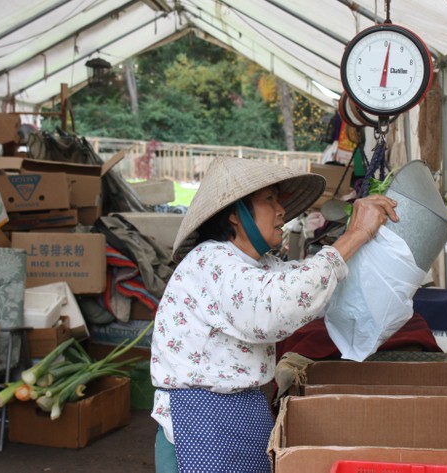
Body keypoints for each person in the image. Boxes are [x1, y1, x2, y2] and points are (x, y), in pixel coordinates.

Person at [150, 156, 398, 472]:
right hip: (202, 418)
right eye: (269, 200)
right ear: (236, 215)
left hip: (241, 410)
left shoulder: (257, 265)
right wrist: (355, 234)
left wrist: (359, 240)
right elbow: (280, 308)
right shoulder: (211, 263)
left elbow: (306, 281)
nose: (281, 210)